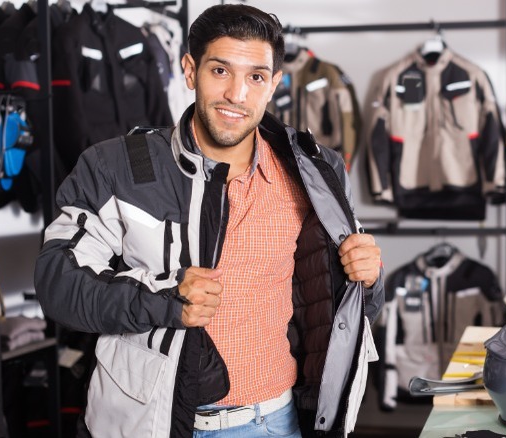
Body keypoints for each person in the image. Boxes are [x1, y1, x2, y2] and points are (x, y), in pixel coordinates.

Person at [33, 4, 384, 438]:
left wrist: (367, 279)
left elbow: (348, 306)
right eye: (220, 71)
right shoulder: (118, 167)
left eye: (256, 77)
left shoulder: (316, 171)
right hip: (156, 424)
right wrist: (165, 297)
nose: (237, 94)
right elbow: (56, 283)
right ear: (189, 70)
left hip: (283, 421)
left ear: (274, 83)